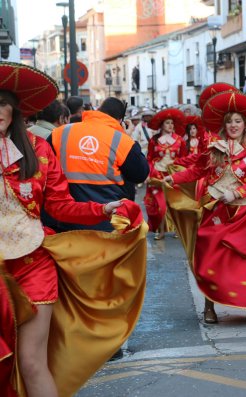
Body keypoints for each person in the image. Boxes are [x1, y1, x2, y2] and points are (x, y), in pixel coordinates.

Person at [0, 62, 124, 397]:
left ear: (15, 109)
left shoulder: (39, 152)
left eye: (2, 102)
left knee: (31, 362)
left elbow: (59, 206)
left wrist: (102, 208)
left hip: (33, 266)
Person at [164, 90, 246, 324]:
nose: (233, 125)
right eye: (229, 121)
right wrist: (175, 179)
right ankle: (209, 307)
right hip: (217, 210)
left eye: (238, 121)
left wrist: (236, 192)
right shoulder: (215, 146)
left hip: (244, 212)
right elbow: (198, 170)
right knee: (211, 258)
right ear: (224, 124)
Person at [47, 97, 149, 231]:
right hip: (108, 221)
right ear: (120, 120)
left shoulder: (60, 133)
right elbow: (140, 174)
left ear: (99, 110)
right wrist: (127, 137)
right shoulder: (122, 140)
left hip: (65, 221)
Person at [144, 108, 187, 239]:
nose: (170, 126)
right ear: (161, 125)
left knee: (175, 204)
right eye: (167, 123)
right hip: (157, 175)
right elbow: (149, 158)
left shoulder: (180, 140)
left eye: (172, 123)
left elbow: (183, 159)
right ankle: (161, 230)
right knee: (160, 206)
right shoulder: (154, 140)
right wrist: (147, 174)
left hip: (173, 176)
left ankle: (177, 230)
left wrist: (183, 174)